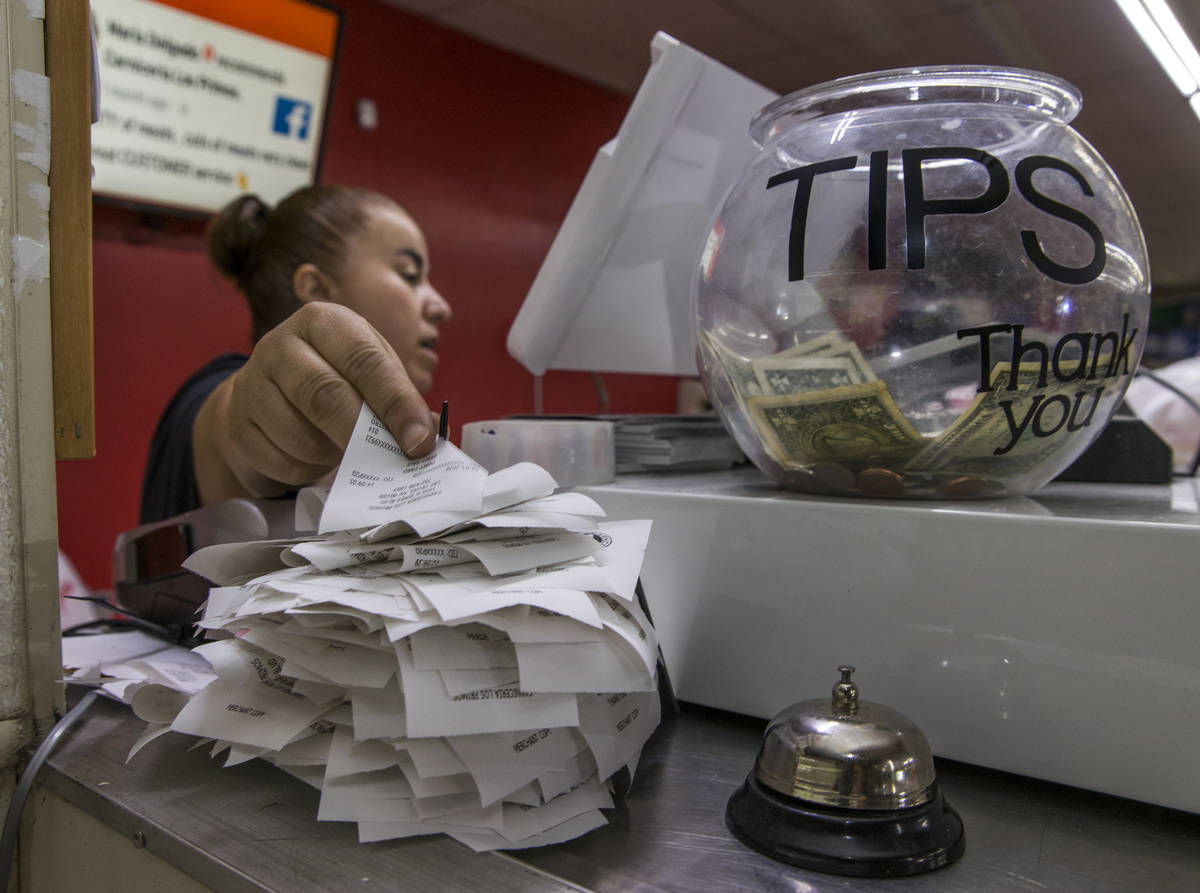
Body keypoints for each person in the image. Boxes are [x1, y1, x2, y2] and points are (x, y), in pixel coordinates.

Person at [140, 185, 452, 523]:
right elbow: (245, 419)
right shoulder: (214, 398)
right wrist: (279, 412)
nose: (441, 307)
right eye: (410, 275)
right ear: (317, 290)